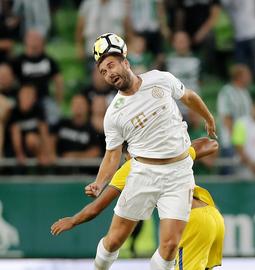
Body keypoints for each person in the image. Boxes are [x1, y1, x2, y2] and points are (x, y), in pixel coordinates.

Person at [86, 34, 216, 270]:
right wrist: (99, 182)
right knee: (114, 241)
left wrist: (208, 118)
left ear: (125, 62)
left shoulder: (160, 79)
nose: (109, 73)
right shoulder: (113, 114)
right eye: (103, 71)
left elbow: (188, 96)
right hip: (143, 173)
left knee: (169, 248)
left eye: (111, 65)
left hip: (179, 173)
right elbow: (112, 155)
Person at [51, 137, 224, 270]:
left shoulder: (133, 166)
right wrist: (184, 146)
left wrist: (73, 220)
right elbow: (210, 144)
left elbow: (97, 207)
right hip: (213, 216)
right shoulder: (168, 155)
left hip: (193, 222)